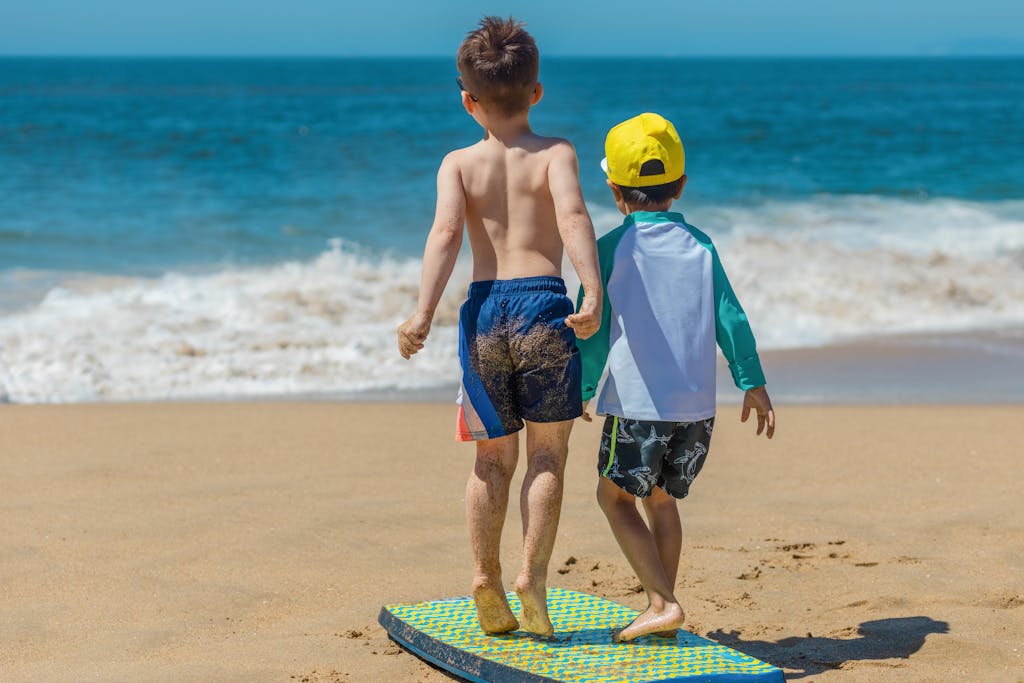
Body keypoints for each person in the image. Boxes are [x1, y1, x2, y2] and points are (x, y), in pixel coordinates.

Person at [396, 16, 602, 638]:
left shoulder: (457, 163)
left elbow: (446, 236)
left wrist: (422, 312)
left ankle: (484, 575)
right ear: (536, 91)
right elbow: (572, 217)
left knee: (491, 461)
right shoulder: (557, 153)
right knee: (548, 454)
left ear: (468, 101)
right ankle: (530, 578)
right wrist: (591, 289)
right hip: (544, 304)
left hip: (483, 312)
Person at [575, 112, 776, 642]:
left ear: (615, 191)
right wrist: (750, 381)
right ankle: (661, 613)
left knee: (612, 498)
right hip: (696, 408)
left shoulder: (611, 249)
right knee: (661, 500)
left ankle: (663, 602)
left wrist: (580, 389)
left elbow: (591, 329)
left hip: (639, 406)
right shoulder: (702, 246)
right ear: (681, 186)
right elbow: (729, 317)